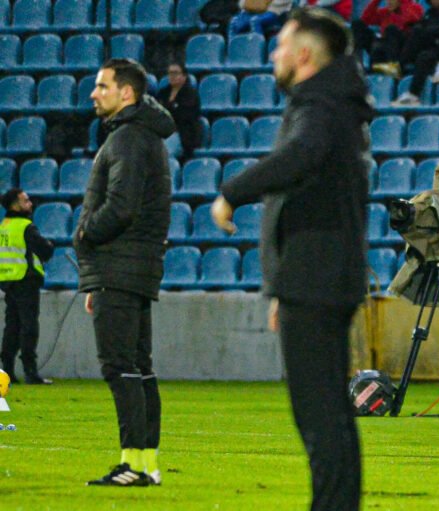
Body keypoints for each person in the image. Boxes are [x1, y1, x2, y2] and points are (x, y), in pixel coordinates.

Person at [211, 8, 373, 510]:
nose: (274, 53)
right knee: (329, 413)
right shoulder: (336, 102)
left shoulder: (321, 104)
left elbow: (301, 154)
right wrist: (285, 284)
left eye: (281, 44)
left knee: (319, 413)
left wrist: (233, 192)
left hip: (317, 274)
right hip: (315, 274)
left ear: (304, 55)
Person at [74, 58, 174, 486]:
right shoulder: (144, 136)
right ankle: (146, 463)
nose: (94, 93)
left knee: (120, 367)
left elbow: (121, 207)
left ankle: (132, 466)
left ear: (126, 92)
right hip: (132, 268)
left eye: (102, 86)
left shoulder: (127, 138)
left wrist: (84, 235)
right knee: (138, 367)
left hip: (119, 265)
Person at [0, 188, 54, 385]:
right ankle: (30, 371)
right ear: (15, 205)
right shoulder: (26, 227)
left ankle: (7, 370)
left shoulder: (3, 226)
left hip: (8, 280)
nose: (30, 204)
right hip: (26, 280)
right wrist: (50, 244)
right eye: (26, 201)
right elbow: (45, 250)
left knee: (12, 326)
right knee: (29, 326)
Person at [390, 0, 439, 106]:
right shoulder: (430, 13)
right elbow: (423, 28)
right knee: (422, 52)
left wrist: (431, 31)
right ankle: (412, 93)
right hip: (435, 48)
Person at [353, 0, 424, 73]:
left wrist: (401, 5)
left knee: (391, 29)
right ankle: (354, 63)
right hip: (383, 47)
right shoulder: (385, 12)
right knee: (358, 25)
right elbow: (365, 19)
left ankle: (393, 66)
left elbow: (406, 21)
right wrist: (376, 1)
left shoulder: (415, 8)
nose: (389, 2)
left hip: (401, 49)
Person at [156, 62, 201, 162]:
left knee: (164, 152)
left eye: (175, 73)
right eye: (170, 73)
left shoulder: (190, 94)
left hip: (182, 135)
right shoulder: (163, 93)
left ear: (184, 76)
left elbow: (183, 117)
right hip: (162, 133)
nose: (172, 76)